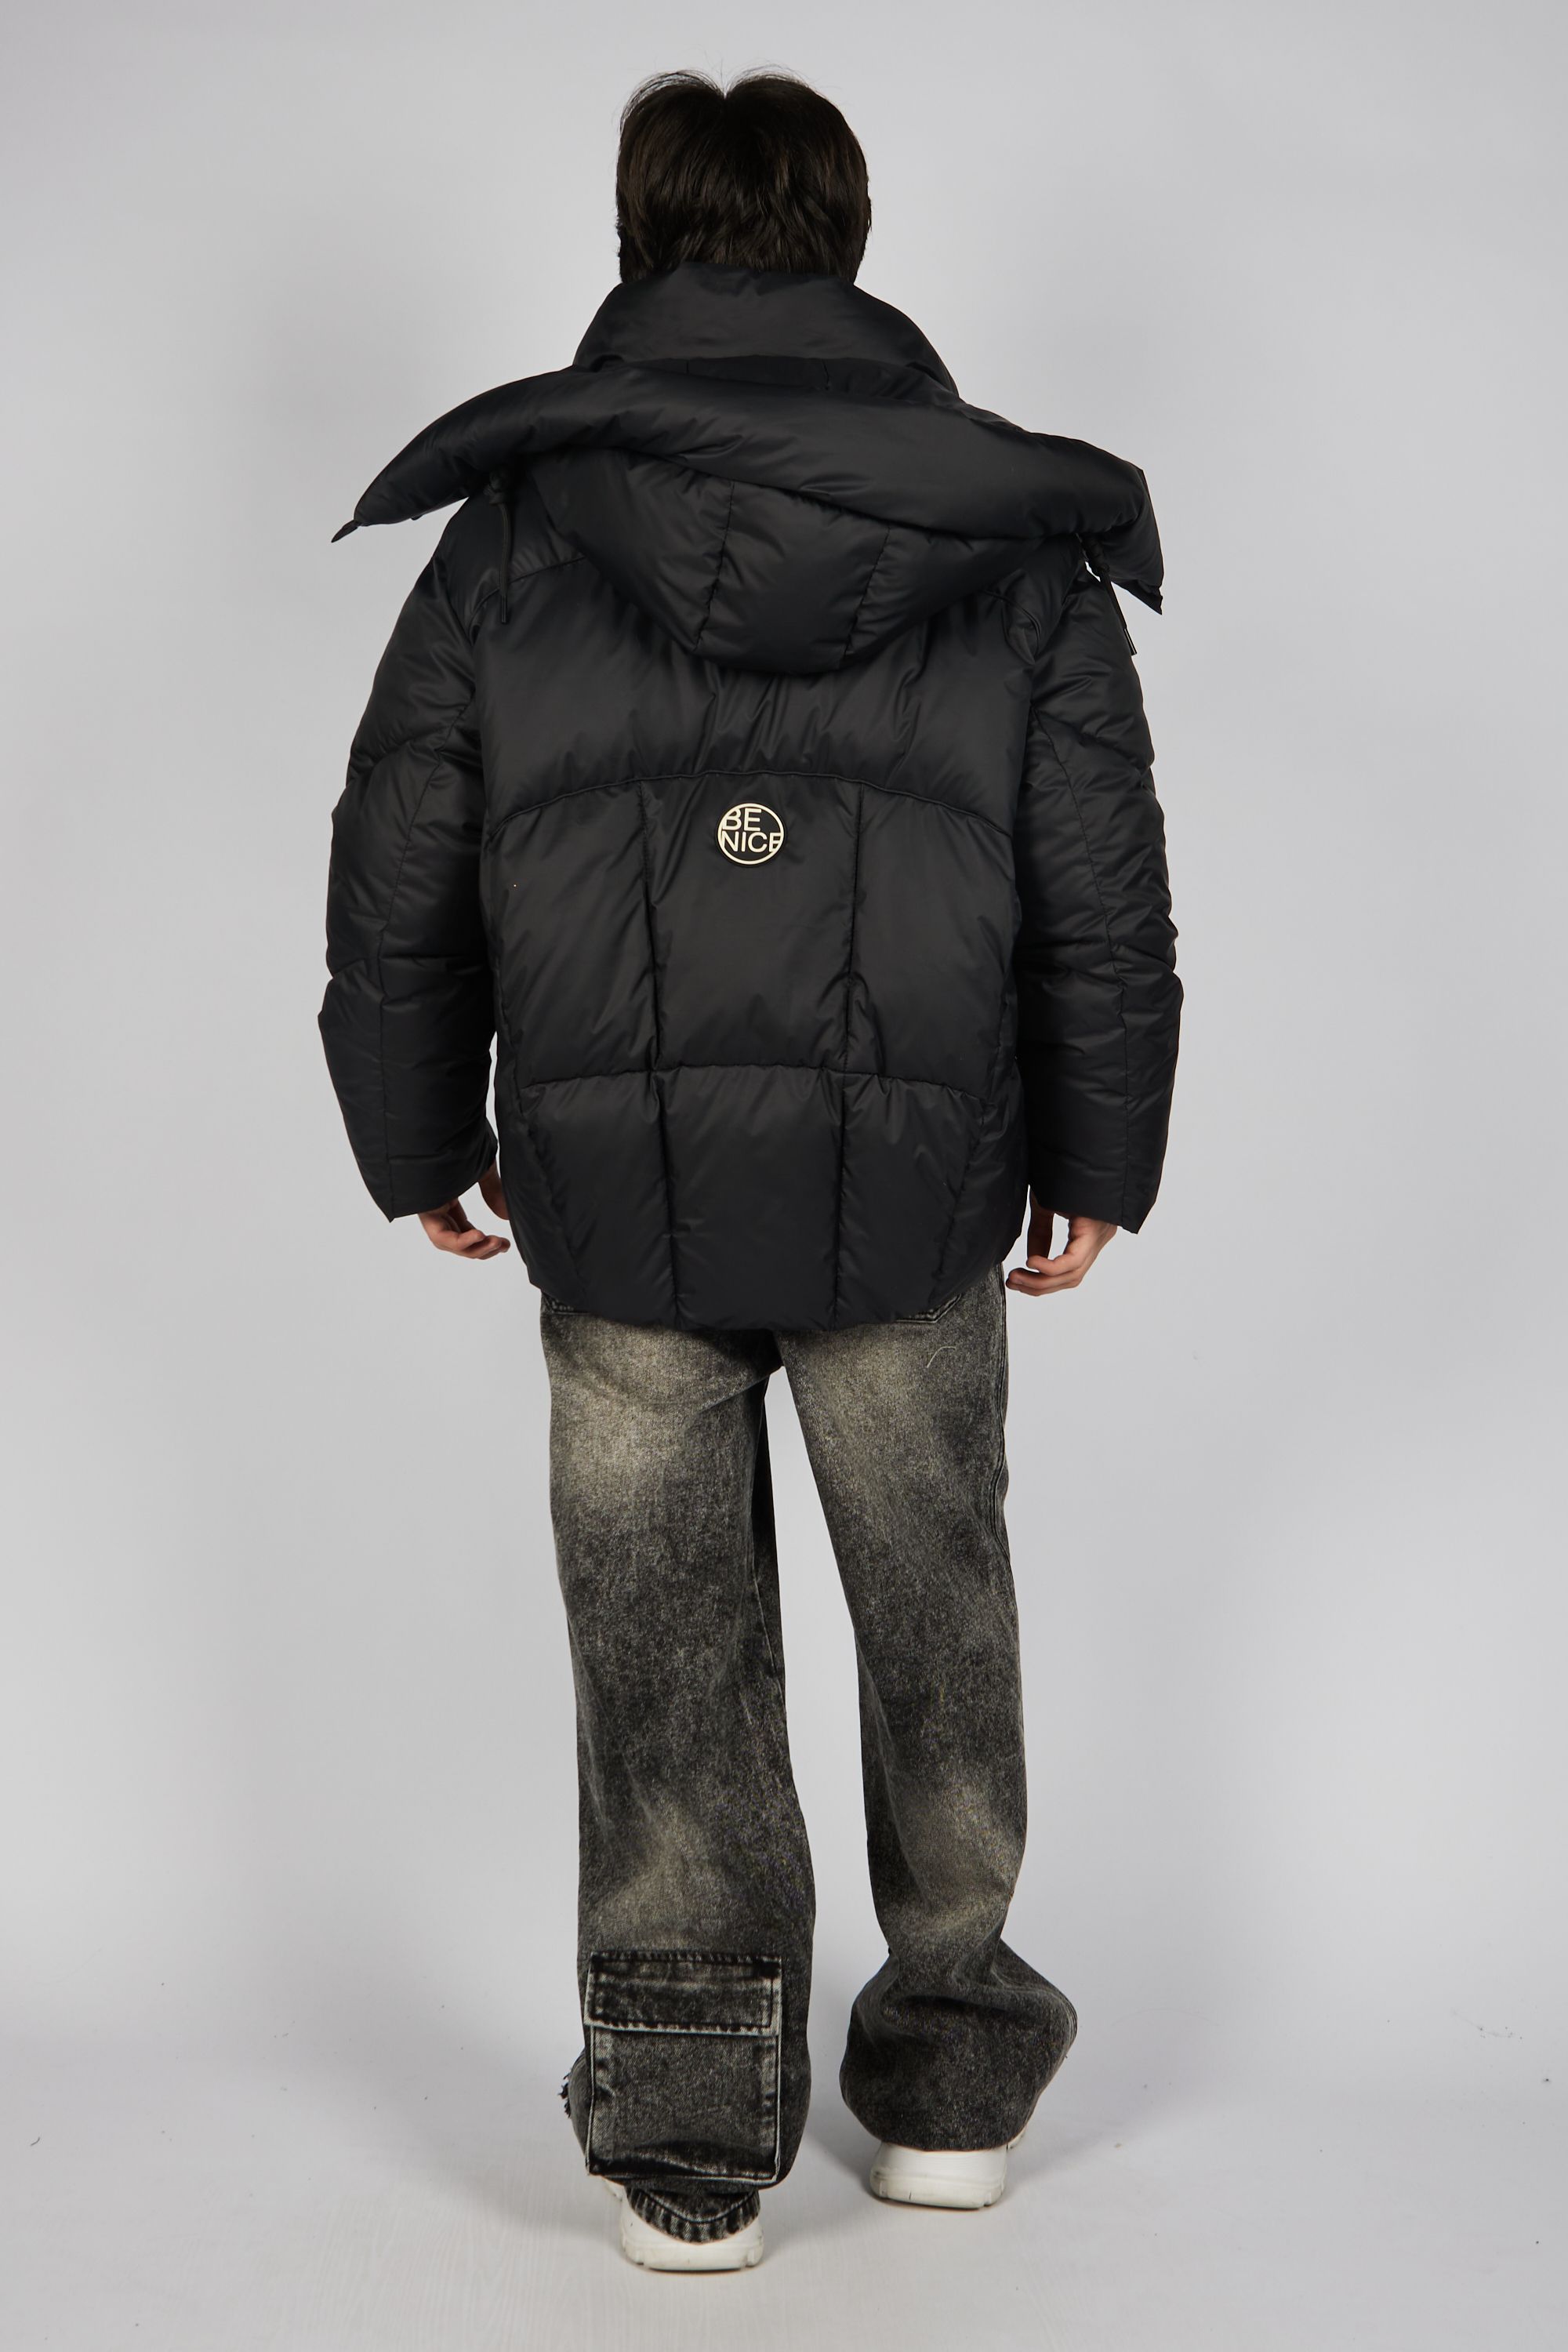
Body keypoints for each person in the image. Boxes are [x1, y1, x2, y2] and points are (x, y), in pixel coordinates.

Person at [320, 67, 1180, 2274]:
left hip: (616, 1204)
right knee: (939, 1612)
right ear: (850, 237)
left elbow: (399, 862)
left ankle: (694, 2144)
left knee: (661, 1657)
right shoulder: (1015, 541)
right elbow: (1100, 884)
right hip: (921, 1194)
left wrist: (415, 1131)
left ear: (640, 236)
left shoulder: (517, 529)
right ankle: (951, 2086)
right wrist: (1103, 1150)